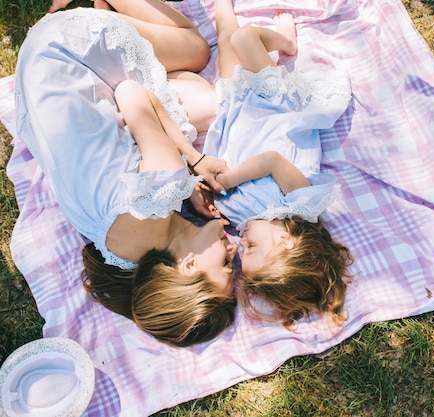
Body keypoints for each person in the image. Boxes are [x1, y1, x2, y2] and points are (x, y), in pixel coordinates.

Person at [14, 0, 237, 347]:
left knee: (196, 53)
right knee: (199, 99)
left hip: (63, 51)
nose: (232, 252)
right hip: (37, 83)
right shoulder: (124, 255)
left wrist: (191, 162)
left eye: (225, 264)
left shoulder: (160, 194)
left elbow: (130, 93)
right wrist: (184, 184)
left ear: (189, 266)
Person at [205, 0, 355, 328]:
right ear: (287, 240)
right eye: (251, 245)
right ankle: (286, 43)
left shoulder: (243, 221)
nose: (240, 242)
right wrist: (229, 181)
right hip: (274, 107)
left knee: (226, 33)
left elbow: (217, 193)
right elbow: (273, 161)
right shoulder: (301, 204)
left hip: (241, 114)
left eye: (242, 249)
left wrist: (214, 201)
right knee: (242, 39)